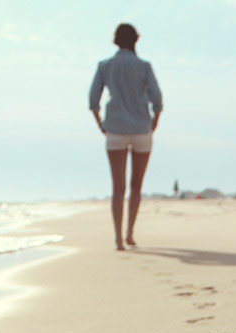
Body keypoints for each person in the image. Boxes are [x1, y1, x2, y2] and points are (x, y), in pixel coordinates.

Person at [89, 23, 163, 250]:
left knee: (118, 187)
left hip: (115, 129)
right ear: (135, 41)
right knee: (136, 185)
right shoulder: (144, 66)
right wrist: (153, 124)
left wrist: (101, 124)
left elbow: (93, 101)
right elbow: (158, 101)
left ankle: (118, 239)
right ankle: (130, 232)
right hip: (142, 128)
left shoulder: (105, 66)